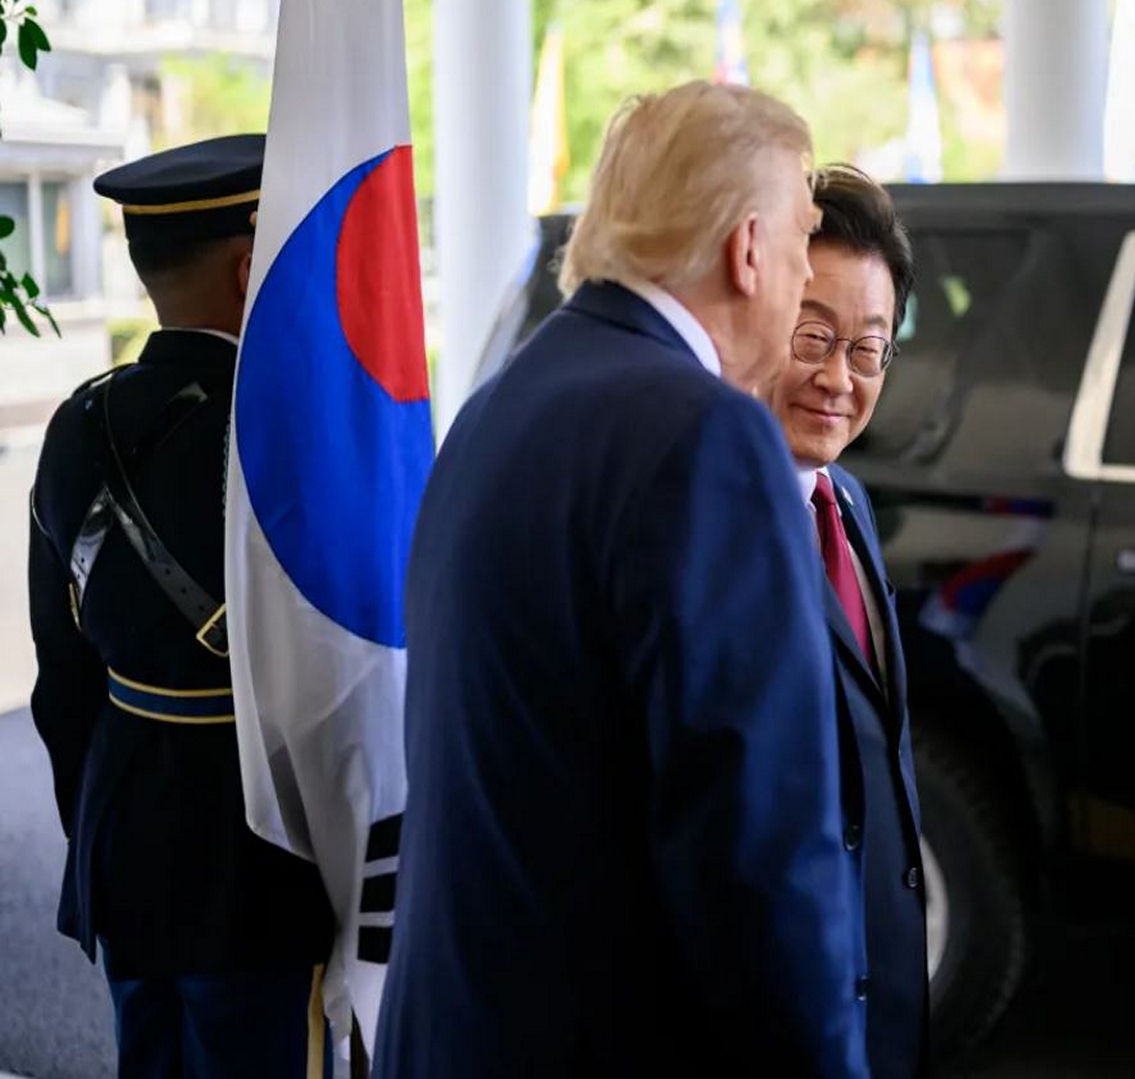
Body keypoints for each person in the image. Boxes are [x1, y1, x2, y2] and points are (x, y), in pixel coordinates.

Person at [375, 82, 868, 1079]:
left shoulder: (499, 404)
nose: (804, 271)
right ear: (747, 248)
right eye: (805, 236)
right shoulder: (703, 436)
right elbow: (760, 857)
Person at [28, 135, 336, 1079]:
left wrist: (101, 834)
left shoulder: (80, 420)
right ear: (252, 266)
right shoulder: (290, 428)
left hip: (128, 827)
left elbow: (61, 679)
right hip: (258, 849)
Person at [765, 164, 927, 1079]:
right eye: (813, 336)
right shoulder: (719, 523)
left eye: (867, 350)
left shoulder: (849, 503)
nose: (838, 378)